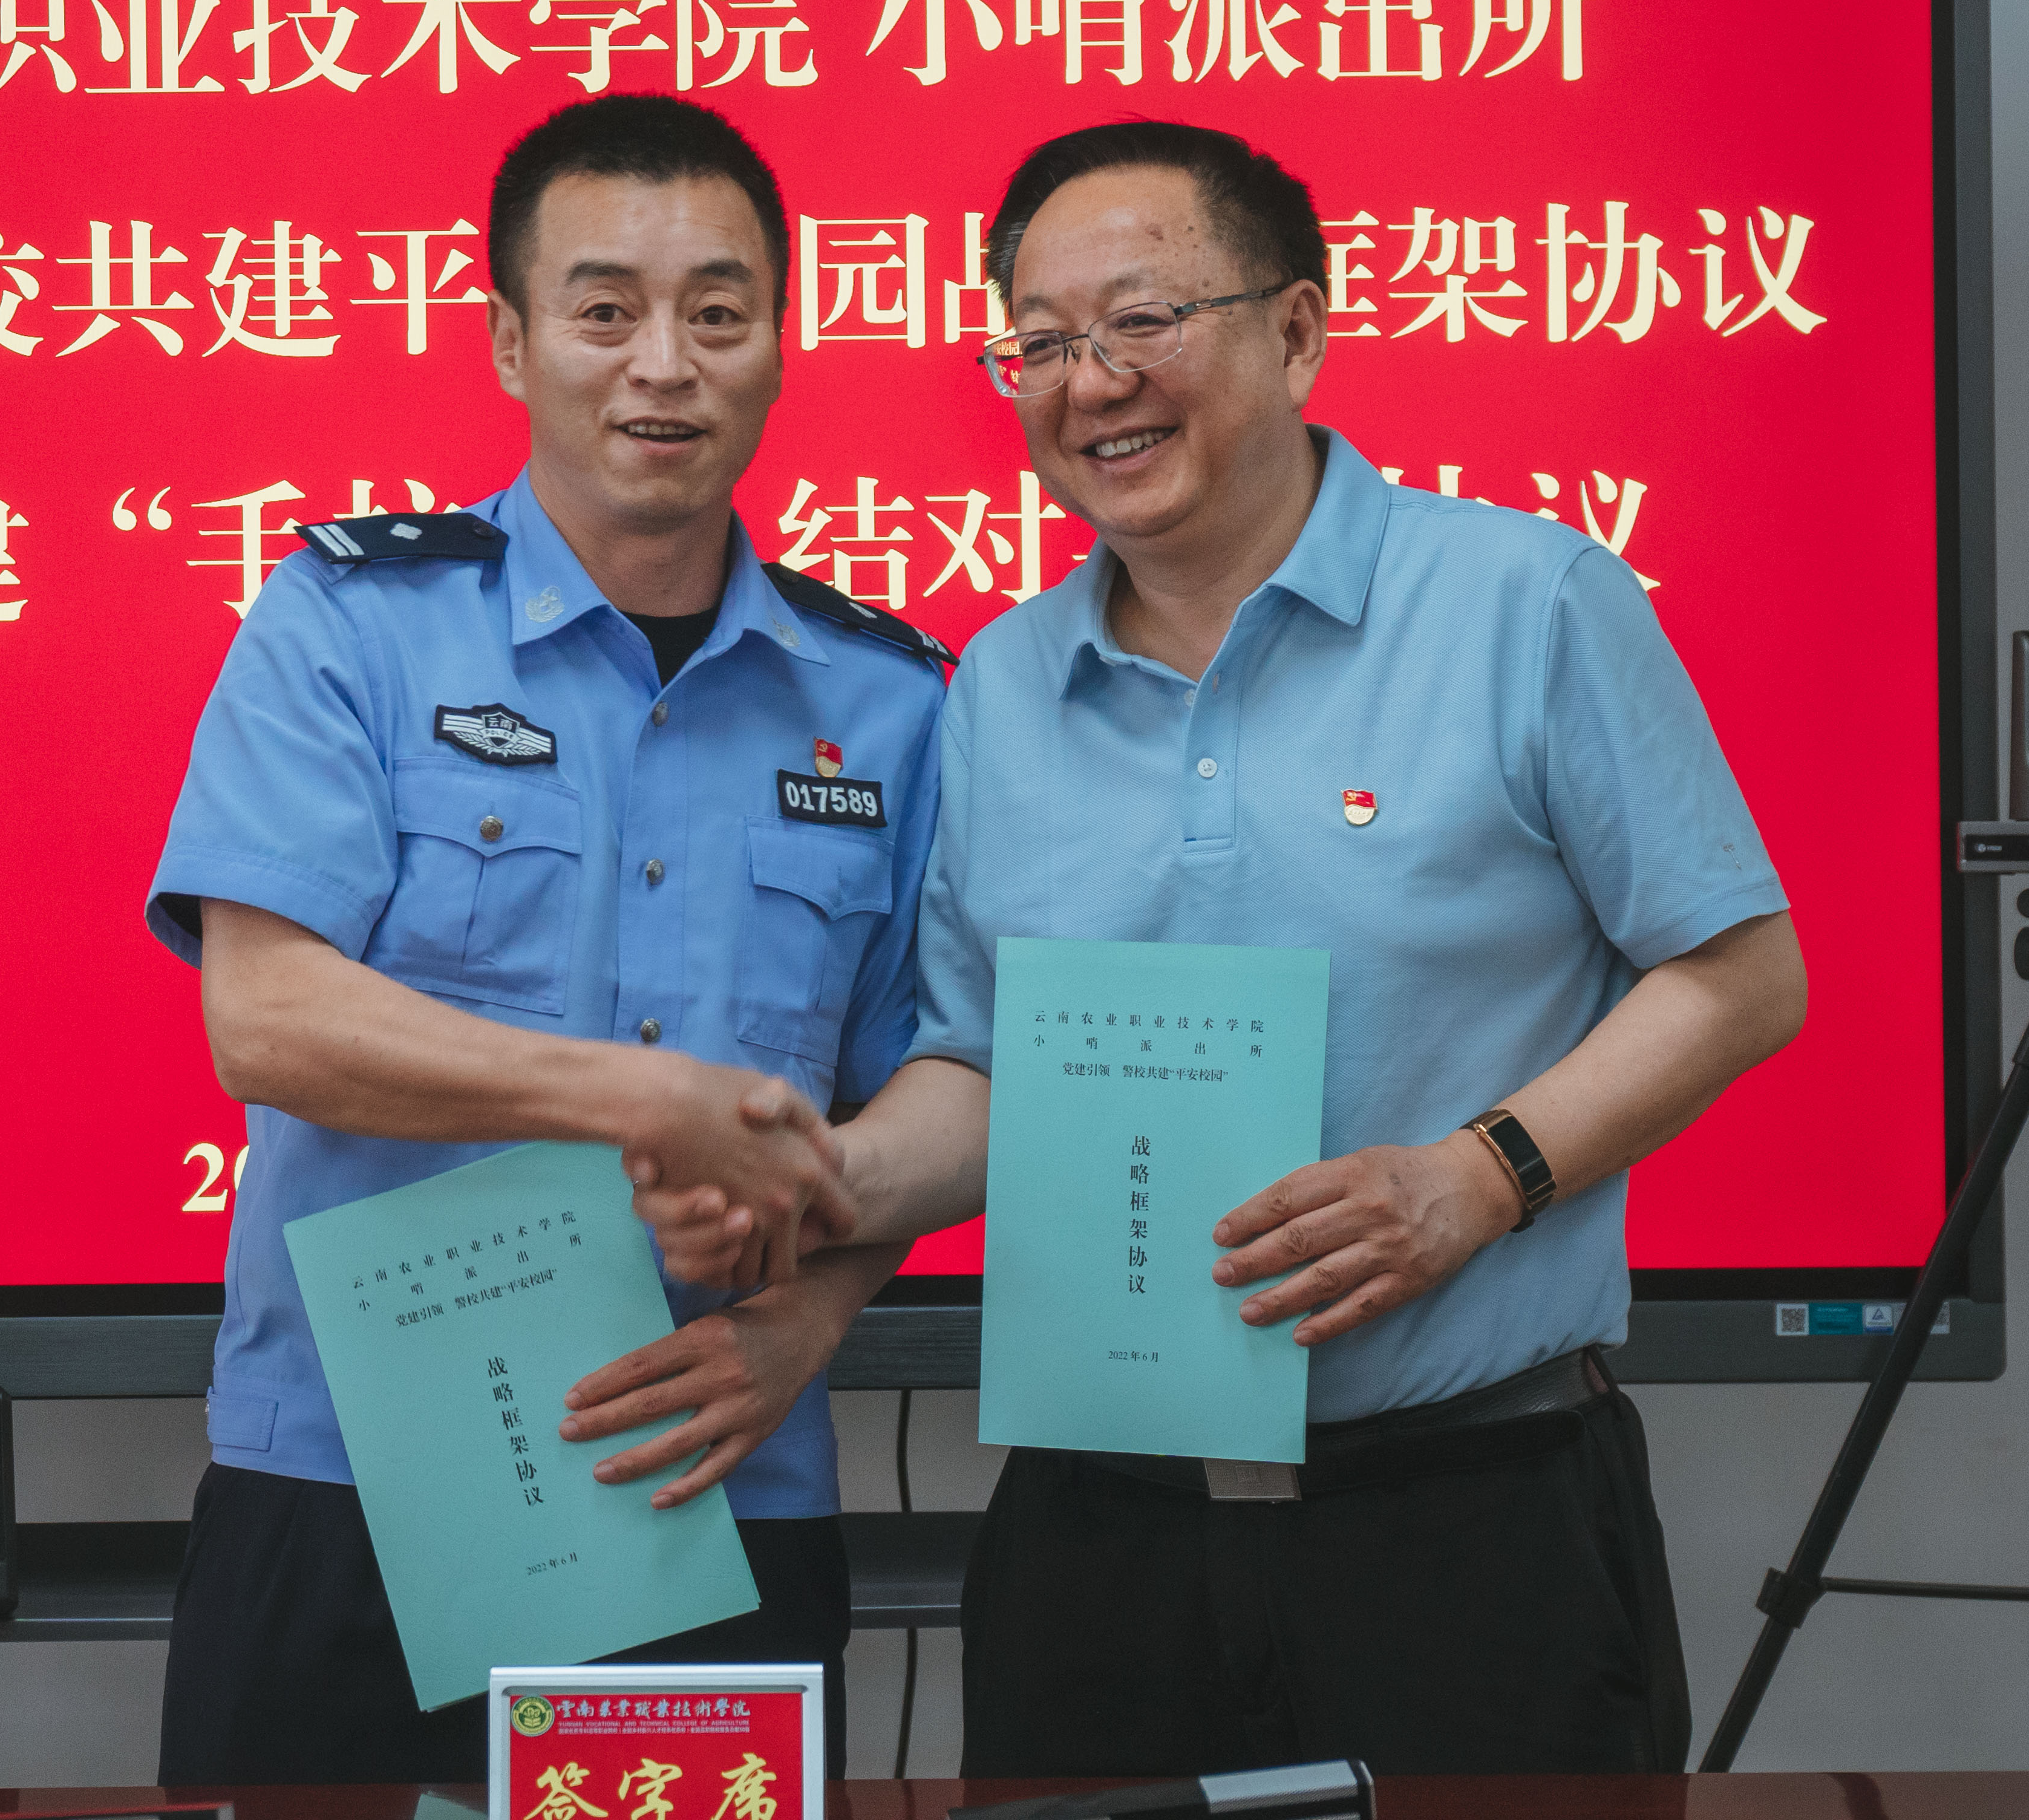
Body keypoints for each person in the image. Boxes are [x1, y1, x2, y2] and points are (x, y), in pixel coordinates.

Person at [650, 120, 1807, 1776]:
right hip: (1101, 1538)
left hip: (1473, 1515)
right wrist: (821, 1179)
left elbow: (1742, 976)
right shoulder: (1000, 684)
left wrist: (1478, 1180)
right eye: (1041, 343)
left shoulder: (1527, 603)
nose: (1091, 383)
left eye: (1143, 320)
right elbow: (982, 1067)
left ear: (1299, 331)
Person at [143, 93, 955, 1785]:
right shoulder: (351, 625)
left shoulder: (889, 702)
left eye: (718, 314)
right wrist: (634, 1100)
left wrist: (816, 1315)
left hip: (711, 1482)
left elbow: (929, 1093)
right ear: (512, 342)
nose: (665, 364)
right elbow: (266, 1019)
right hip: (356, 1478)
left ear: (782, 347)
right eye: (604, 310)